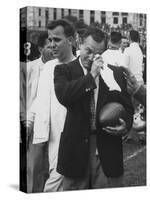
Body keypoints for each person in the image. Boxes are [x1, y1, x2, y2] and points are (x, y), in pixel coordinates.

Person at [54, 27, 133, 190]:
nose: (91, 57)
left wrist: (125, 125)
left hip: (107, 147)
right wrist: (91, 77)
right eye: (88, 51)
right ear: (80, 43)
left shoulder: (115, 73)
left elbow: (127, 107)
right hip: (76, 149)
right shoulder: (64, 70)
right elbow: (65, 96)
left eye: (97, 54)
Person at [28, 19, 76, 192]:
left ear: (71, 40)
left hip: (70, 137)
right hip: (47, 137)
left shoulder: (80, 66)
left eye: (57, 40)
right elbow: (39, 100)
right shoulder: (48, 67)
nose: (52, 44)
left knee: (54, 186)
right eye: (50, 40)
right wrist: (30, 122)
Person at [20, 31, 53, 193]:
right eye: (49, 46)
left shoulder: (62, 67)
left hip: (55, 125)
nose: (53, 48)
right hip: (34, 125)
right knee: (35, 168)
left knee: (52, 170)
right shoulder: (30, 68)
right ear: (40, 49)